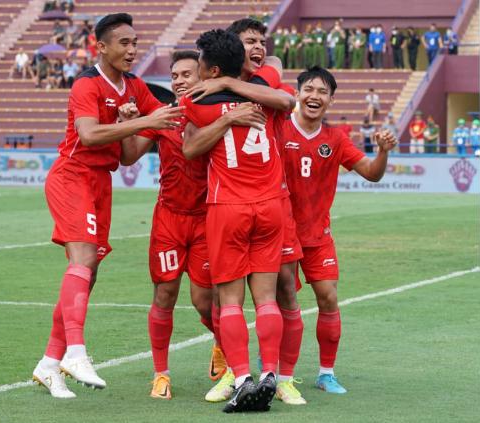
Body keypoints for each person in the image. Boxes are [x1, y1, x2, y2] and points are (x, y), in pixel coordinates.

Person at [30, 12, 184, 399]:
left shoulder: (134, 86)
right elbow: (90, 133)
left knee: (87, 272)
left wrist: (152, 124)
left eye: (135, 43)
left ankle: (49, 363)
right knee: (82, 260)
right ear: (102, 46)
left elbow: (131, 153)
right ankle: (76, 353)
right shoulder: (87, 84)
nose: (133, 50)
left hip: (101, 183)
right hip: (73, 176)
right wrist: (139, 121)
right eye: (124, 43)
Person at [181, 18, 301, 409]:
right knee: (266, 299)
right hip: (269, 207)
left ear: (212, 70)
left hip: (227, 207)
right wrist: (235, 92)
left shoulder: (197, 101)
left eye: (199, 63)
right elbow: (286, 98)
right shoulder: (263, 90)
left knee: (230, 302)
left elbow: (190, 149)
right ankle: (270, 373)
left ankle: (244, 378)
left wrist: (222, 105)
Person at [119, 50, 250, 401]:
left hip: (208, 217)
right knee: (164, 294)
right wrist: (125, 122)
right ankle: (161, 375)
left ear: (204, 76)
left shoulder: (215, 112)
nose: (177, 80)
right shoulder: (163, 115)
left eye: (186, 74)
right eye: (174, 75)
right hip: (169, 219)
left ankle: (223, 346)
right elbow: (129, 155)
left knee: (204, 301)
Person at [279, 66, 397, 395]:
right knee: (284, 301)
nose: (315, 96)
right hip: (281, 234)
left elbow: (372, 174)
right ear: (298, 93)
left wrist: (383, 151)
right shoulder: (279, 130)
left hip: (318, 236)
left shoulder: (336, 139)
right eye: (309, 89)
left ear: (331, 100)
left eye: (322, 92)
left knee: (328, 298)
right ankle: (276, 371)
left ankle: (326, 373)